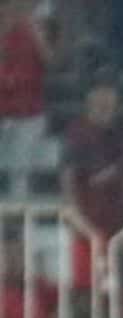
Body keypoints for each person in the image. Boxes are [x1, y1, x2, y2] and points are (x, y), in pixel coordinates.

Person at [60, 74, 123, 291]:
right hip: (86, 231)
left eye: (109, 97)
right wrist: (87, 230)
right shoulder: (76, 136)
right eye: (100, 96)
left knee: (120, 295)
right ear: (89, 100)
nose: (105, 102)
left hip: (117, 232)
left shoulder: (121, 137)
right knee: (87, 293)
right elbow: (68, 188)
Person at [0, 0, 53, 201]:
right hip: (3, 111)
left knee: (20, 173)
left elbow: (50, 60)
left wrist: (35, 32)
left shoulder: (32, 30)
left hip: (29, 112)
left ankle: (17, 212)